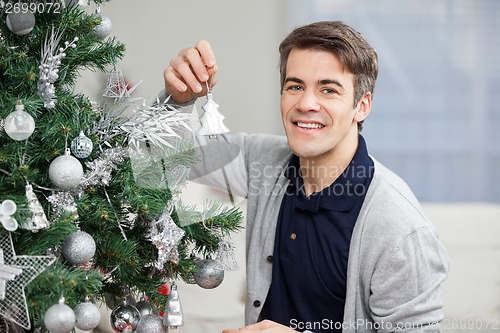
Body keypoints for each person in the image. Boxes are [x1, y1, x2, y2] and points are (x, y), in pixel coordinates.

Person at [163, 21, 449, 333]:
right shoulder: (261, 162)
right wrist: (179, 100)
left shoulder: (399, 228)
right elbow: (160, 160)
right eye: (295, 86)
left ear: (361, 106)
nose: (306, 104)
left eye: (328, 89)